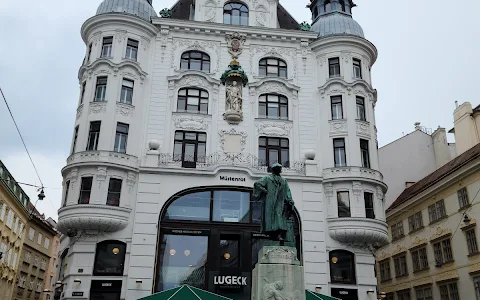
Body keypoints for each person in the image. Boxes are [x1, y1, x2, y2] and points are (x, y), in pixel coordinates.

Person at [253, 163, 295, 243]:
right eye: (277, 168)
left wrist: (290, 200)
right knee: (270, 219)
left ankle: (278, 235)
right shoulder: (267, 178)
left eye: (279, 168)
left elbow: (287, 192)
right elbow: (257, 184)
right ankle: (273, 235)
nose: (279, 170)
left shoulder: (283, 181)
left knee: (279, 217)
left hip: (280, 202)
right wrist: (265, 191)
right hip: (270, 202)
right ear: (273, 170)